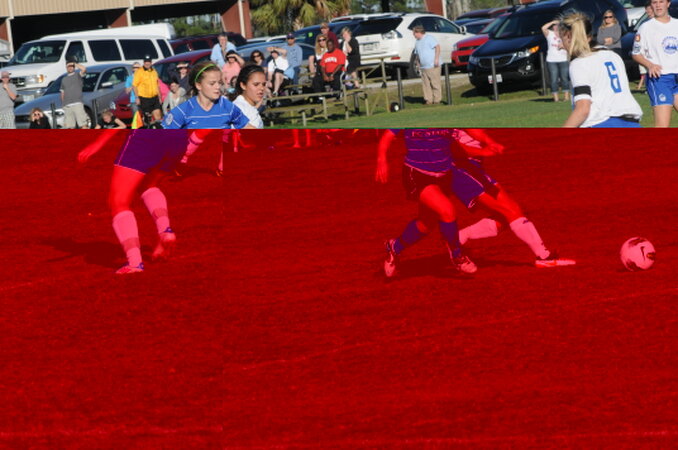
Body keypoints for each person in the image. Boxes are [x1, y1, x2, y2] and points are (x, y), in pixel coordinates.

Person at [447, 129, 576, 268]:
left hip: (471, 167)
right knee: (511, 211)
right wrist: (482, 151)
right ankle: (544, 256)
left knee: (510, 213)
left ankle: (457, 239)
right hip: (461, 168)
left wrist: (490, 142)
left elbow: (471, 129)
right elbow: (450, 147)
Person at [78, 129, 193, 274]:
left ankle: (135, 263)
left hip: (147, 137)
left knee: (118, 201)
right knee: (148, 185)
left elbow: (123, 117)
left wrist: (98, 143)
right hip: (178, 138)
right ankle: (165, 231)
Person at [375, 129, 478, 278]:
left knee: (426, 223)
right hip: (417, 173)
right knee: (447, 211)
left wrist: (487, 145)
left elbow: (462, 137)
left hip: (444, 174)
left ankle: (394, 247)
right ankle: (457, 256)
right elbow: (387, 136)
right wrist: (382, 159)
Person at [167, 61, 254, 177]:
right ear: (198, 85)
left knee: (225, 134)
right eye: (212, 83)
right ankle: (182, 160)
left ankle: (221, 168)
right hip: (187, 159)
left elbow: (248, 127)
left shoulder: (227, 106)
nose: (218, 87)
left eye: (219, 83)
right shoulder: (184, 110)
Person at [560, 12, 642, 127]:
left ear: (568, 37)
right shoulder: (613, 55)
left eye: (561, 39)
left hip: (603, 124)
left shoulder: (579, 63)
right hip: (632, 124)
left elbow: (583, 109)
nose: (561, 45)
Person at [632, 0, 678, 127]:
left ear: (668, 4)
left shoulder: (676, 24)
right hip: (660, 78)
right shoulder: (646, 27)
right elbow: (636, 54)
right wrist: (650, 65)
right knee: (662, 126)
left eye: (661, 1)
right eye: (654, 2)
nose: (658, 5)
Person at [541, 19, 570, 102]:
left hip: (563, 59)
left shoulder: (565, 34)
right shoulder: (550, 34)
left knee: (564, 78)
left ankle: (566, 97)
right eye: (554, 26)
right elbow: (543, 28)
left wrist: (563, 46)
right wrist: (552, 22)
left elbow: (570, 45)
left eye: (558, 25)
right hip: (551, 60)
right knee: (554, 79)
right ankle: (556, 98)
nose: (556, 27)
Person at [413, 25, 441, 105]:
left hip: (432, 65)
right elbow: (417, 54)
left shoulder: (429, 38)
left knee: (435, 83)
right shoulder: (417, 42)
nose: (413, 35)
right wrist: (418, 63)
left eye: (414, 33)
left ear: (418, 32)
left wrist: (436, 59)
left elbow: (437, 47)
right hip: (423, 67)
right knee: (426, 85)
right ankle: (429, 100)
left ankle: (437, 100)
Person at [232, 64, 266, 129]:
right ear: (243, 85)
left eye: (263, 84)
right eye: (256, 84)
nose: (262, 88)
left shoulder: (248, 107)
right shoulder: (239, 109)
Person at [133, 56, 163, 124]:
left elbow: (157, 85)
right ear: (144, 62)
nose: (147, 63)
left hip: (154, 97)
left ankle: (158, 129)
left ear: (151, 62)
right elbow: (134, 85)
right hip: (144, 98)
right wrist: (137, 97)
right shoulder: (139, 72)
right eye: (146, 62)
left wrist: (159, 97)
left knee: (158, 116)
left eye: (148, 62)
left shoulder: (154, 71)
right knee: (147, 119)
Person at [60, 57, 89, 129]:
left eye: (71, 66)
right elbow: (62, 92)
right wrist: (63, 104)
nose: (70, 68)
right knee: (69, 126)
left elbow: (84, 69)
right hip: (67, 105)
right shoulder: (64, 79)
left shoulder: (78, 75)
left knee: (83, 124)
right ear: (66, 67)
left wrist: (74, 63)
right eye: (68, 66)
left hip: (77, 103)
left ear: (74, 67)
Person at [637, 1, 655, 91]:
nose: (648, 11)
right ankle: (649, 88)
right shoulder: (644, 23)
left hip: (656, 51)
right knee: (646, 71)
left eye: (650, 9)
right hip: (646, 51)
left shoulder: (658, 22)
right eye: (647, 9)